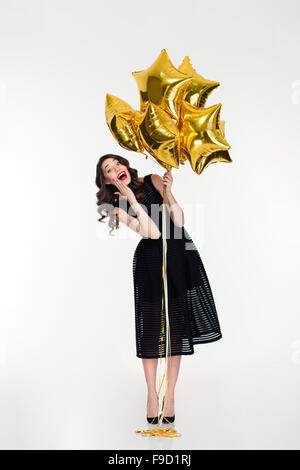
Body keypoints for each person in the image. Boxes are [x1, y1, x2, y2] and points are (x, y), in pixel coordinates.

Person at [95, 153, 222, 424]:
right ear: (107, 180)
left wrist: (169, 192)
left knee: (177, 329)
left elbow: (179, 221)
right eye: (109, 169)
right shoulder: (117, 207)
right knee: (152, 331)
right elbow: (152, 233)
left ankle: (171, 395)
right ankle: (152, 395)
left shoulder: (154, 180)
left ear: (125, 165)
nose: (116, 168)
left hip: (179, 254)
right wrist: (129, 197)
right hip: (151, 263)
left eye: (117, 163)